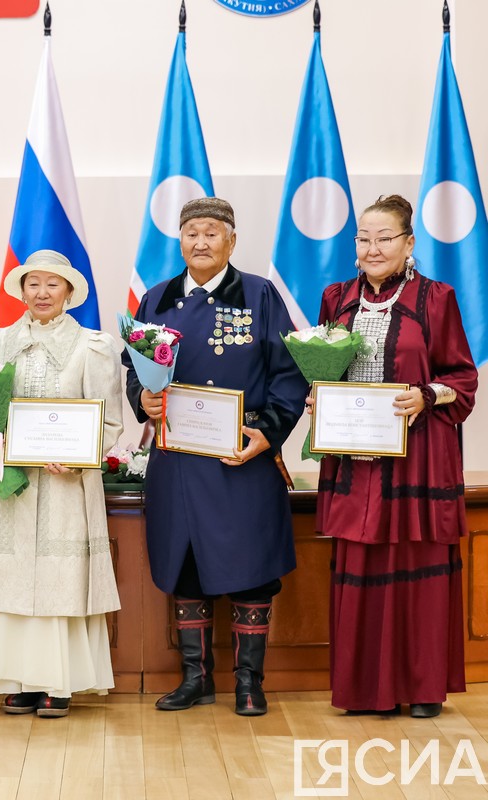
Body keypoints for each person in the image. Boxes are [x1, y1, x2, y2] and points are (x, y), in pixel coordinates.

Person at [124, 197, 308, 716]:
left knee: (251, 567)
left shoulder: (260, 295)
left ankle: (250, 683)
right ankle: (195, 679)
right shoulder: (156, 299)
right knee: (185, 565)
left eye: (211, 232)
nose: (200, 242)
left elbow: (288, 374)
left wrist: (267, 435)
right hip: (177, 461)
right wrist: (143, 397)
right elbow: (137, 372)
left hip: (241, 459)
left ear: (231, 239)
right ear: (179, 240)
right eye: (191, 233)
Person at [312, 194, 477, 718]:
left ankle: (423, 687)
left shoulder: (436, 298)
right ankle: (365, 692)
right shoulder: (336, 298)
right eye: (364, 238)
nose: (373, 247)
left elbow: (462, 379)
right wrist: (318, 392)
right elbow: (324, 367)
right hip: (355, 463)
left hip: (417, 461)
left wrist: (427, 395)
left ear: (409, 244)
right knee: (361, 566)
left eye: (386, 238)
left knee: (417, 563)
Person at [0, 250, 122, 719]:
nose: (42, 293)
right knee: (12, 582)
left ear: (69, 292)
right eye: (34, 284)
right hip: (12, 486)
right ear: (21, 290)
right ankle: (19, 681)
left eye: (53, 285)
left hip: (66, 487)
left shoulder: (93, 347)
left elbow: (109, 421)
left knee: (61, 581)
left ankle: (59, 683)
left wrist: (78, 459)